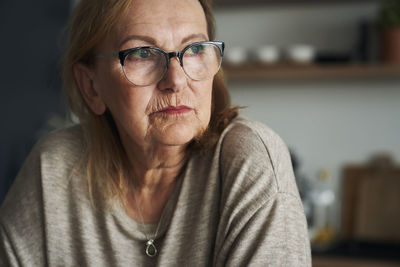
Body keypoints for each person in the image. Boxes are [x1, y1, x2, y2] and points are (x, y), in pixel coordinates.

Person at [0, 0, 311, 265]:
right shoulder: (54, 168)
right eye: (143, 54)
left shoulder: (250, 158)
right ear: (91, 86)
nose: (175, 80)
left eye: (195, 49)